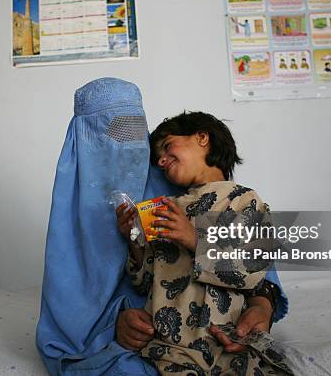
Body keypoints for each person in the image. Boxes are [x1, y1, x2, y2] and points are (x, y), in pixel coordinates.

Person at [36, 78, 288, 375]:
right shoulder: (72, 208)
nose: (124, 145)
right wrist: (115, 318)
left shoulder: (175, 191)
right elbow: (146, 275)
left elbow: (256, 264)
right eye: (107, 133)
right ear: (78, 142)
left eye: (133, 131)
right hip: (165, 345)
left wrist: (261, 306)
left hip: (218, 339)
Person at [116, 112, 291, 375]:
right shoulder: (166, 210)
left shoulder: (244, 201)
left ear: (202, 138)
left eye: (167, 146)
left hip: (228, 344)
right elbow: (144, 282)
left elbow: (253, 271)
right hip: (169, 351)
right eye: (158, 160)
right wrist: (135, 241)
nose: (162, 161)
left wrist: (194, 239)